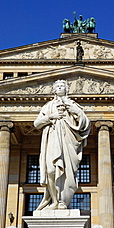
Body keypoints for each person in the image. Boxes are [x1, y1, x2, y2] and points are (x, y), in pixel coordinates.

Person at [34, 79, 90, 210]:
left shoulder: (72, 104)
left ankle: (62, 201)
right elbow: (36, 124)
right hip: (53, 140)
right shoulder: (48, 106)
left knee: (67, 173)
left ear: (66, 89)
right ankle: (54, 201)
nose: (60, 88)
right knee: (51, 170)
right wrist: (51, 116)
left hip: (68, 141)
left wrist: (74, 110)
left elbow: (85, 123)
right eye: (57, 86)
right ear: (54, 90)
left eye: (62, 86)